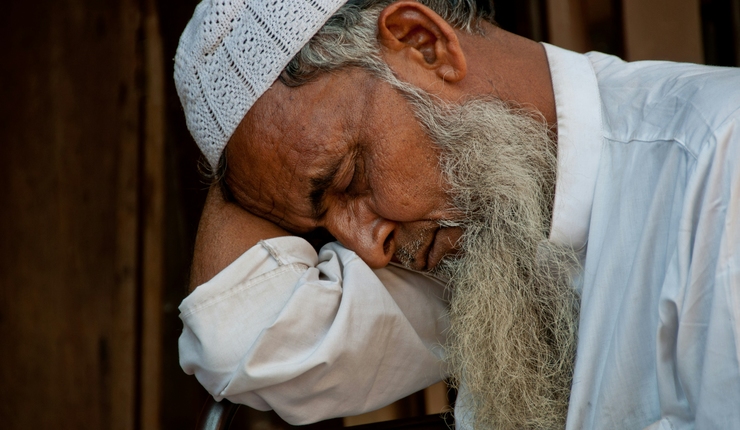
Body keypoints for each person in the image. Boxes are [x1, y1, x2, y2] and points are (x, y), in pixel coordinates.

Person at [174, 0, 740, 428]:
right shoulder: (478, 237)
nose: (368, 248)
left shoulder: (719, 165)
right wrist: (229, 103)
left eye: (350, 179)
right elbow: (241, 336)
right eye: (320, 226)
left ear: (423, 44)